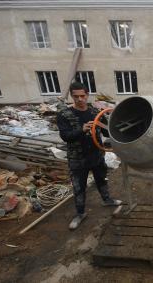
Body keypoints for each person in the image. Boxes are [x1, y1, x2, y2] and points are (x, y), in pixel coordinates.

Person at [57, 81, 121, 230]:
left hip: (97, 154)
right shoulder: (64, 114)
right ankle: (80, 213)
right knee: (79, 187)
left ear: (87, 95)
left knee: (101, 179)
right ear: (72, 97)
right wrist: (82, 130)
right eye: (76, 96)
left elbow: (106, 131)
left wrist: (113, 122)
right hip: (77, 159)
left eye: (82, 96)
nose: (80, 99)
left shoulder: (94, 112)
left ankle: (107, 200)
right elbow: (65, 136)